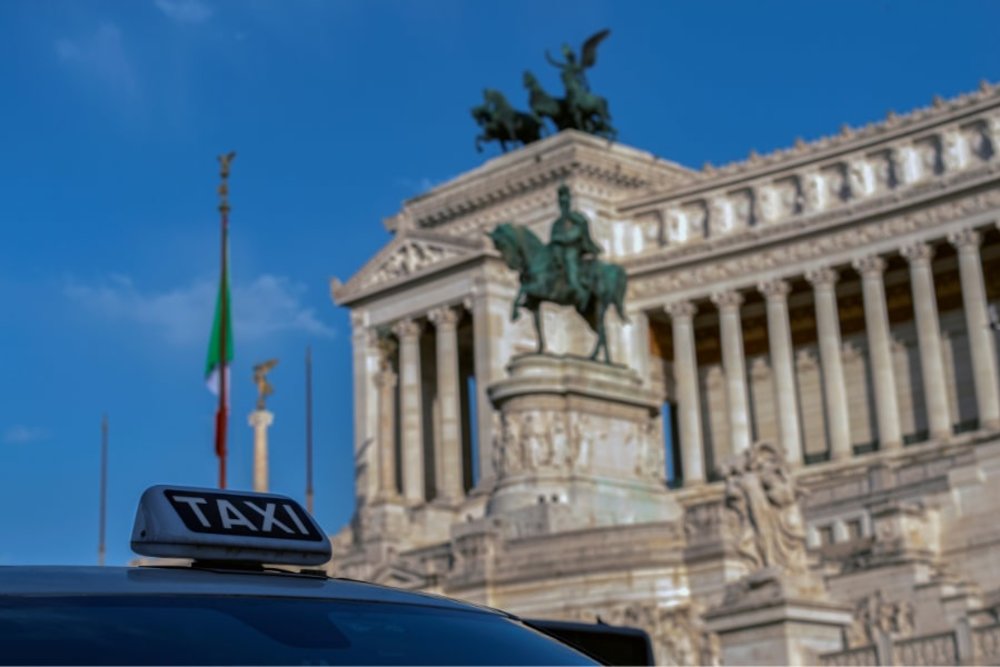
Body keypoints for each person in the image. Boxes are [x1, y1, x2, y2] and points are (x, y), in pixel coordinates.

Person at [549, 185, 601, 309]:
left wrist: (560, 239)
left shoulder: (577, 219)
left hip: (573, 250)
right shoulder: (557, 223)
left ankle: (577, 287)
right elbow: (553, 238)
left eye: (565, 201)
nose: (563, 204)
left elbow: (575, 234)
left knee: (570, 260)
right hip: (558, 253)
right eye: (561, 202)